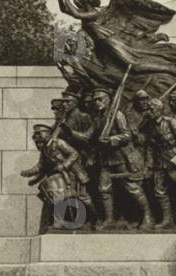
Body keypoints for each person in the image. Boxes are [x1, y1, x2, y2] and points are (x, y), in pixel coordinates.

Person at [66, 88, 153, 229]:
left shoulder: (117, 115)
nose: (97, 102)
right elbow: (87, 137)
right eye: (95, 100)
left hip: (121, 158)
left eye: (100, 99)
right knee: (104, 189)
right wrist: (71, 132)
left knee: (132, 188)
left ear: (108, 100)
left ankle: (148, 217)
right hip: (106, 159)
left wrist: (111, 139)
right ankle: (109, 220)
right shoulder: (98, 118)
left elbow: (127, 136)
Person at [21, 124, 91, 231]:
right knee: (57, 195)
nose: (36, 137)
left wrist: (64, 165)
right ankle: (58, 223)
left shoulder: (58, 143)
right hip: (61, 176)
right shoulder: (45, 149)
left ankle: (93, 219)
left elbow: (74, 153)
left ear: (47, 133)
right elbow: (41, 166)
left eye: (39, 134)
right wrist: (29, 174)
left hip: (73, 174)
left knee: (84, 198)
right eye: (35, 135)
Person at [140, 98, 176, 228]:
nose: (149, 112)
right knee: (159, 191)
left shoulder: (171, 122)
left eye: (151, 109)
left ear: (159, 110)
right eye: (148, 109)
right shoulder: (150, 125)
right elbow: (151, 146)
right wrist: (149, 165)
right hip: (160, 161)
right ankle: (167, 220)